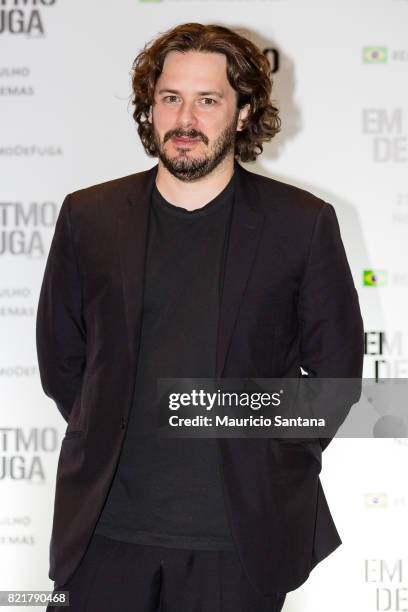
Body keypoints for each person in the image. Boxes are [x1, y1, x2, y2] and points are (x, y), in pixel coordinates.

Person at [36, 22, 364, 612]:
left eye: (207, 100)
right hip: (104, 536)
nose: (185, 119)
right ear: (151, 107)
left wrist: (258, 446)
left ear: (241, 113)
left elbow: (335, 376)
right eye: (170, 98)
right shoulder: (90, 216)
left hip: (237, 547)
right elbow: (63, 365)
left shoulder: (301, 224)